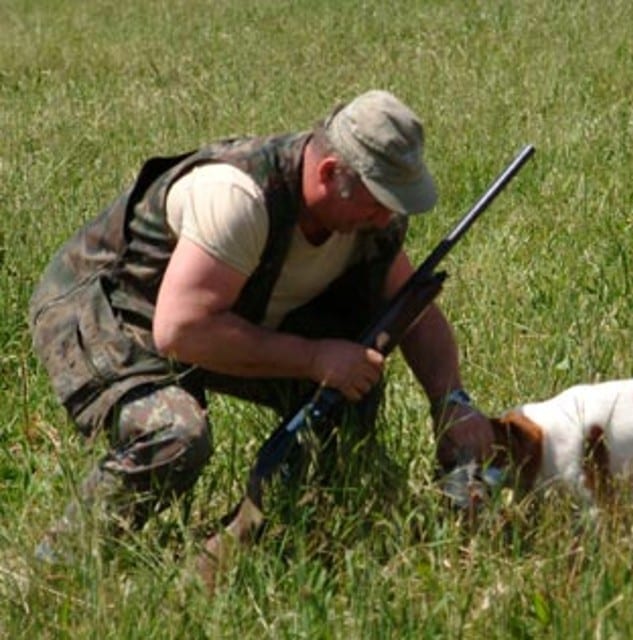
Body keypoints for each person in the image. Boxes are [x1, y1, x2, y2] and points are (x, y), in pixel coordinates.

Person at [29, 89, 494, 559]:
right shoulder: (239, 198)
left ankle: (268, 540)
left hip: (221, 319)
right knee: (176, 435)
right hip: (113, 314)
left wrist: (450, 400)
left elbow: (412, 309)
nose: (388, 216)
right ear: (331, 174)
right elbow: (181, 331)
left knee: (351, 388)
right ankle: (59, 564)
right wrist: (314, 358)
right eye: (380, 200)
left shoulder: (369, 220)